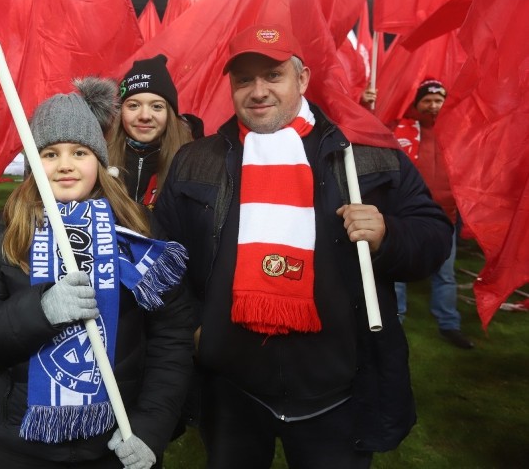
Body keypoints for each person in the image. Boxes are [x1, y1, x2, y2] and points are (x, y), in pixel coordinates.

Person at [153, 24, 453, 468]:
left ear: (303, 79)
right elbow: (164, 261)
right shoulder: (198, 160)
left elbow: (434, 236)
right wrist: (196, 329)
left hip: (337, 394)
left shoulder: (364, 154)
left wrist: (388, 234)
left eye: (273, 75)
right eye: (243, 80)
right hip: (232, 392)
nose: (258, 91)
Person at [0, 77, 193, 469]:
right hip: (24, 447)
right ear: (33, 162)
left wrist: (151, 427)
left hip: (118, 444)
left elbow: (172, 336)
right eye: (49, 153)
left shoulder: (137, 229)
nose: (65, 165)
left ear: (99, 158)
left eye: (79, 152)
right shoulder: (6, 230)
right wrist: (41, 311)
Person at [392, 80, 472, 349]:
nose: (434, 106)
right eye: (428, 100)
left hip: (445, 218)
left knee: (445, 275)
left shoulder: (458, 132)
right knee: (399, 272)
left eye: (439, 101)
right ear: (417, 104)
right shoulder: (400, 128)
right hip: (408, 217)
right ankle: (395, 322)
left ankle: (449, 325)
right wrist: (370, 102)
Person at [107, 54, 192, 210]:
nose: (145, 116)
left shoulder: (192, 161)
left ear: (170, 114)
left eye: (157, 106)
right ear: (120, 112)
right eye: (133, 106)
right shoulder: (99, 157)